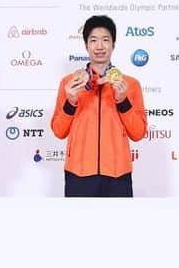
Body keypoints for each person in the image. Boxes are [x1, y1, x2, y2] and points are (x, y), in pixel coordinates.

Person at [50, 15, 146, 197]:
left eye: (105, 40)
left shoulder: (130, 85)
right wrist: (70, 102)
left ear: (114, 44)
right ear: (86, 45)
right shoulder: (70, 83)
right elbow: (58, 131)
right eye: (93, 40)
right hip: (78, 174)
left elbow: (138, 133)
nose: (100, 46)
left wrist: (123, 100)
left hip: (118, 175)